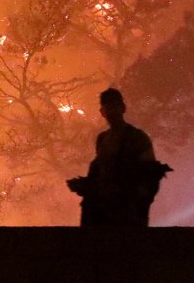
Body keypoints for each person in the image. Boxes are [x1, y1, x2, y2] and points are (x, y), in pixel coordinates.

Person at [66, 87, 171, 227]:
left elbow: (150, 177)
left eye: (115, 106)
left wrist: (135, 202)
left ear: (123, 108)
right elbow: (100, 174)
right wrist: (85, 186)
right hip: (102, 210)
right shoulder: (103, 139)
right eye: (108, 108)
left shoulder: (137, 138)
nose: (112, 112)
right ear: (102, 112)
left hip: (127, 211)